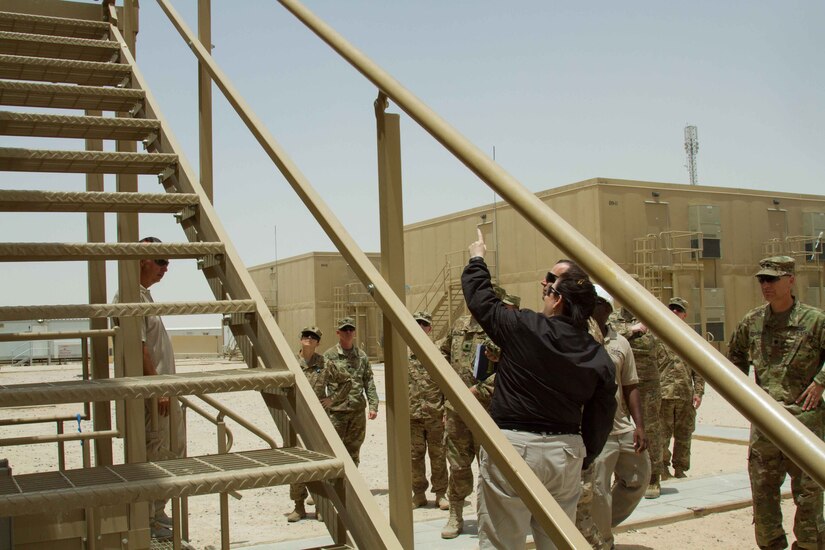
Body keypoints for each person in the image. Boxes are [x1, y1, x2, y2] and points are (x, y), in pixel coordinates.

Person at [463, 229, 617, 550]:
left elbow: (480, 298)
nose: (543, 290)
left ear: (558, 299)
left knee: (502, 542)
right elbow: (602, 413)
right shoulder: (597, 354)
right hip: (566, 452)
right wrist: (583, 454)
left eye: (548, 286)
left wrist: (477, 257)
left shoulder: (524, 327)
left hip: (515, 447)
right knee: (558, 541)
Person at [727, 256, 825, 550]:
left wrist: (821, 382)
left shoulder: (815, 320)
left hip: (804, 423)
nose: (766, 285)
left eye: (772, 279)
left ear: (791, 280)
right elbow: (734, 363)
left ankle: (809, 545)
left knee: (809, 493)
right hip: (765, 425)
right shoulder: (752, 321)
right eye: (762, 280)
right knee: (763, 493)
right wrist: (746, 397)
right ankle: (771, 546)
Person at [114, 236, 185, 540]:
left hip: (163, 392)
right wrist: (158, 389)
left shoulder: (144, 295)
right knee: (155, 452)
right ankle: (149, 520)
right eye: (160, 261)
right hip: (154, 395)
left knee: (171, 451)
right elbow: (140, 348)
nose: (165, 269)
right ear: (142, 259)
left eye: (168, 262)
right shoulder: (129, 296)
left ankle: (157, 513)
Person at [578, 286, 650, 549]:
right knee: (598, 492)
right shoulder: (578, 339)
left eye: (599, 303)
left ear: (608, 309)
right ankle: (602, 540)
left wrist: (639, 425)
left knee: (640, 478)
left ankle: (599, 525)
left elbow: (630, 384)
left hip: (622, 428)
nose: (593, 307)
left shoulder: (621, 343)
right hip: (597, 432)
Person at [288, 326, 352, 522]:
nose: (309, 338)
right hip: (297, 417)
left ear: (317, 343)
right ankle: (298, 506)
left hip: (319, 420)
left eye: (313, 337)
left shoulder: (324, 363)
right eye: (306, 335)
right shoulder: (290, 362)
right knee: (296, 463)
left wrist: (332, 398)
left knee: (320, 462)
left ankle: (320, 505)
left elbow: (346, 380)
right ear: (301, 339)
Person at [611, 304, 667, 499]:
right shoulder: (614, 317)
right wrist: (632, 330)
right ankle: (621, 477)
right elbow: (608, 338)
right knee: (621, 429)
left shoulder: (651, 315)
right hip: (622, 381)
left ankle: (654, 478)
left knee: (651, 428)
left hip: (648, 382)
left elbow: (656, 346)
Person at [659, 297, 704, 479]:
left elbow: (699, 369)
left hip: (685, 395)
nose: (674, 312)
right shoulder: (657, 335)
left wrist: (699, 392)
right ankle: (662, 468)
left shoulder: (691, 339)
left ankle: (680, 468)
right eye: (672, 309)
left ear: (684, 314)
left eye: (678, 310)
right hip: (664, 394)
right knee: (662, 435)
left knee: (684, 435)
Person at [323, 317, 379, 466]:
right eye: (344, 330)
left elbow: (368, 381)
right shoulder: (329, 356)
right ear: (338, 332)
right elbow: (321, 381)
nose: (348, 332)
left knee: (354, 450)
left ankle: (351, 486)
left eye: (350, 329)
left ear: (354, 332)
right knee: (333, 450)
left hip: (357, 410)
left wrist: (373, 405)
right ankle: (334, 486)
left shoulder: (361, 356)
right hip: (337, 412)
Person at [408, 311, 449, 510]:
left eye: (424, 324)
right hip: (413, 416)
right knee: (414, 457)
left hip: (435, 415)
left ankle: (441, 493)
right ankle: (418, 494)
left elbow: (448, 386)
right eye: (417, 324)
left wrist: (447, 411)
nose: (420, 327)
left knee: (438, 455)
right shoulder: (405, 358)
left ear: (430, 329)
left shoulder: (439, 356)